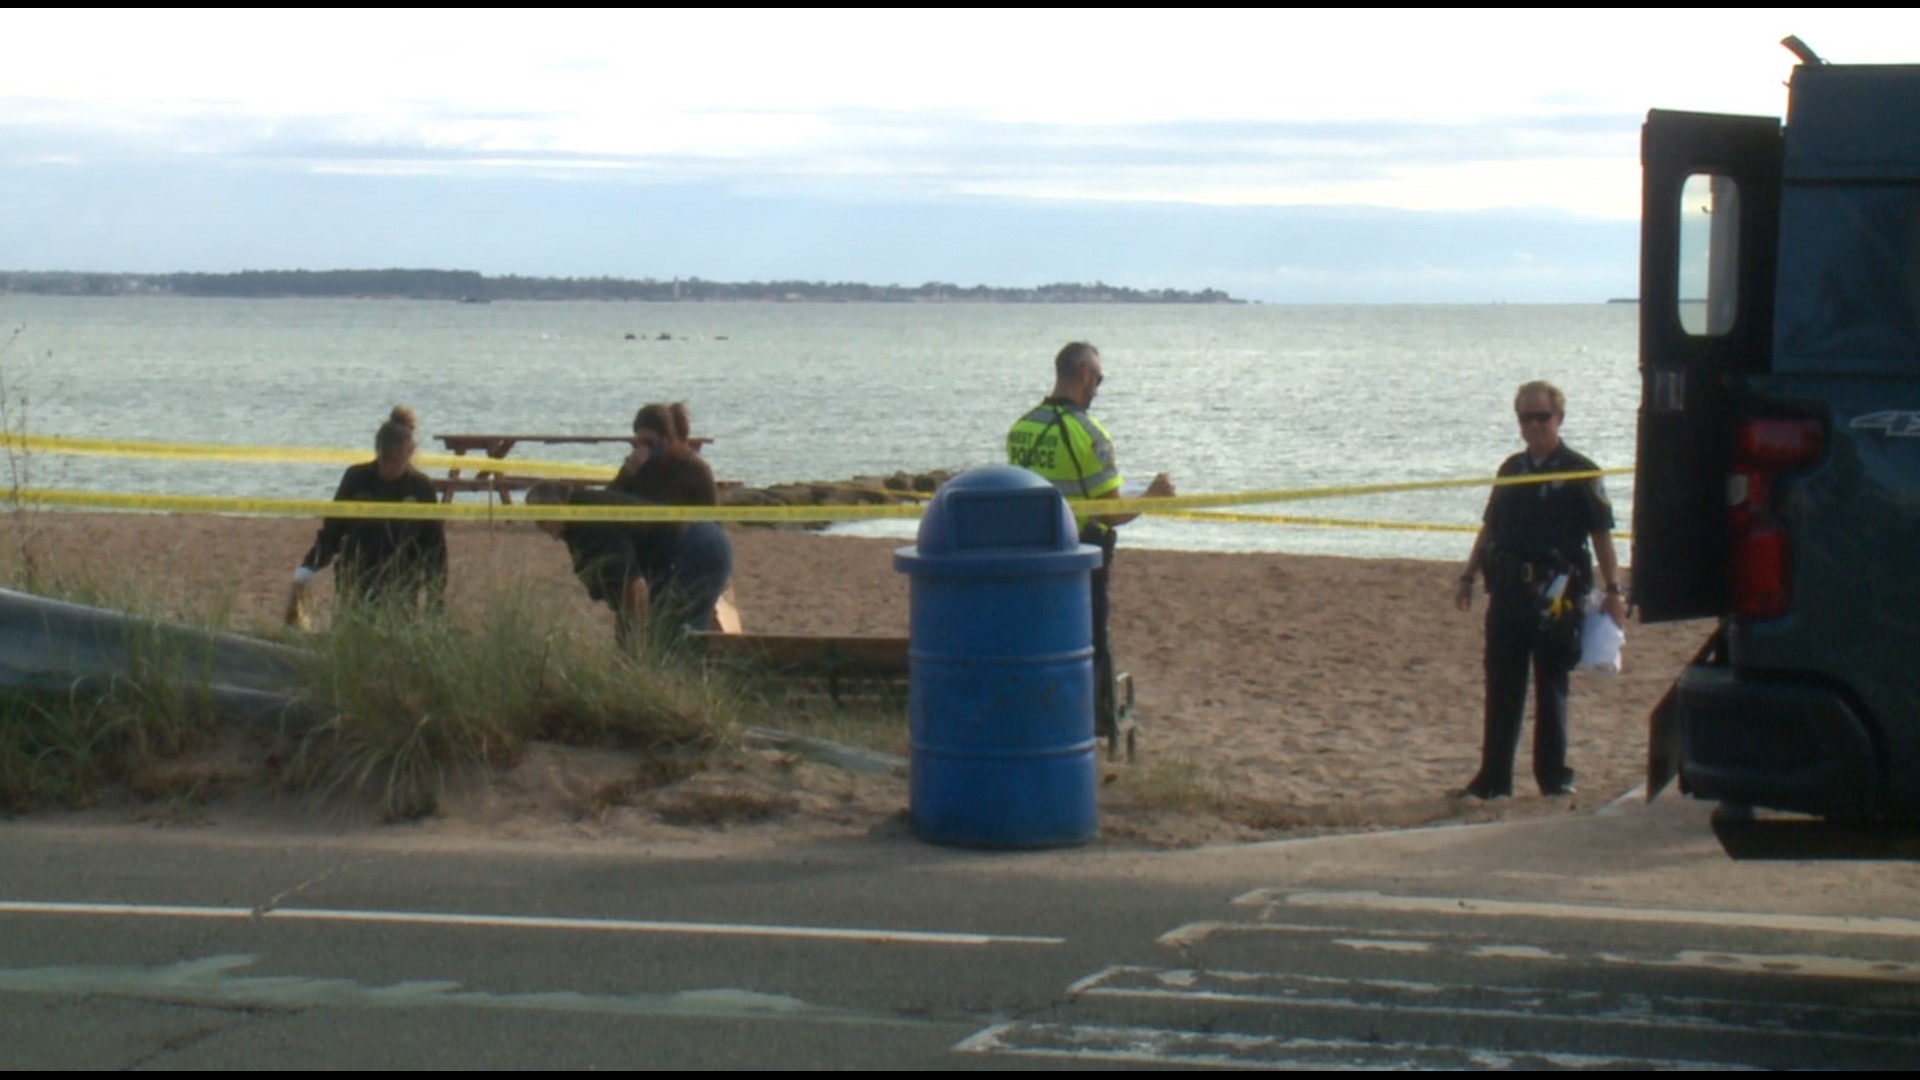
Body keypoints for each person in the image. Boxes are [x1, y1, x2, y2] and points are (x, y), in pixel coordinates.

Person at [1453, 380, 1627, 799]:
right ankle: (1493, 779)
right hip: (1509, 594)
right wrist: (1468, 574)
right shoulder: (1511, 469)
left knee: (1551, 687)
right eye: (1526, 418)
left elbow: (1602, 536)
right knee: (1503, 687)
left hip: (1557, 597)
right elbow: (1490, 526)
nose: (1534, 425)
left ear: (1559, 418)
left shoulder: (1581, 470)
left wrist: (1614, 590)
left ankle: (1553, 779)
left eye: (1542, 417)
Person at [1007, 341, 1174, 741]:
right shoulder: (1090, 434)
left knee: (1038, 641)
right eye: (1099, 378)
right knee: (1087, 645)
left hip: (1030, 553)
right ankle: (1083, 724)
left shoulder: (1021, 429)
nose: (1099, 386)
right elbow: (1111, 513)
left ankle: (1039, 718)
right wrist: (1151, 498)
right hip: (1081, 557)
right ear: (1083, 375)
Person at [526, 481, 732, 651]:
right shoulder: (584, 510)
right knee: (689, 630)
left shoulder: (589, 527)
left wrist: (634, 645)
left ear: (560, 505)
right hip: (702, 538)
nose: (539, 525)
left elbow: (635, 589)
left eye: (542, 517)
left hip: (694, 550)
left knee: (672, 642)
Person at [288, 406, 447, 622]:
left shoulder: (421, 488)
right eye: (385, 460)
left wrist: (435, 599)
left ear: (409, 455)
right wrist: (307, 569)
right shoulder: (356, 479)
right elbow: (332, 531)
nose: (390, 467)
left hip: (402, 588)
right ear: (378, 453)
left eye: (396, 462)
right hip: (356, 582)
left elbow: (434, 549)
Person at [610, 401, 718, 507]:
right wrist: (626, 473)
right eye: (638, 443)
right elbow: (609, 501)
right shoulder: (636, 467)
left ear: (666, 441)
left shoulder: (694, 470)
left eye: (649, 443)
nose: (643, 449)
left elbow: (711, 518)